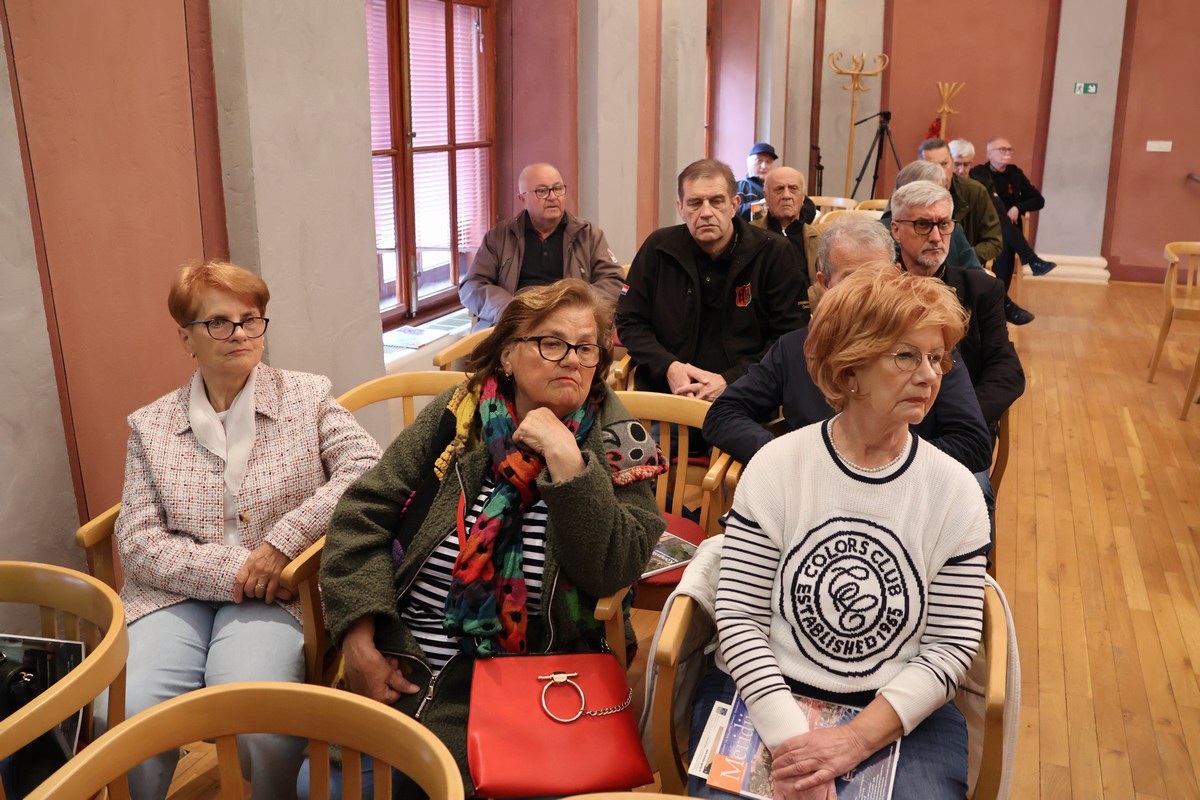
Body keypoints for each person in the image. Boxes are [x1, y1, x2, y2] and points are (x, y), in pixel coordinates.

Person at [318, 279, 665, 795]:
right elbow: (363, 512)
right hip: (405, 658)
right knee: (318, 786)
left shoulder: (618, 438)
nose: (572, 360)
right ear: (507, 355)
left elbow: (613, 566)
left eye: (586, 348)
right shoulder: (459, 416)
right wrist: (358, 635)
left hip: (531, 680)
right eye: (552, 343)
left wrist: (567, 460)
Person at [692, 265, 991, 800]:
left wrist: (852, 740)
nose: (929, 376)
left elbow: (949, 648)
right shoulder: (778, 466)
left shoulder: (955, 491)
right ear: (850, 368)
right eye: (906, 356)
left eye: (937, 357)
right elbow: (740, 621)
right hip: (768, 692)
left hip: (896, 709)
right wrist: (795, 748)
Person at [96, 261, 381, 800]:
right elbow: (136, 541)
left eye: (250, 319)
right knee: (123, 711)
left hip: (278, 593)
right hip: (173, 594)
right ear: (186, 338)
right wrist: (239, 569)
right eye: (218, 322)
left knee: (257, 714)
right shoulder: (150, 425)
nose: (240, 334)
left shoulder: (307, 396)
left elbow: (366, 468)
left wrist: (282, 543)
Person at [703, 216, 992, 476]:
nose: (867, 293)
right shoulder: (794, 348)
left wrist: (882, 466)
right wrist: (791, 458)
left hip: (910, 490)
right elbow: (724, 413)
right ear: (825, 284)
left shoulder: (927, 349)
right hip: (812, 490)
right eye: (852, 279)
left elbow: (973, 443)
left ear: (895, 276)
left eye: (877, 277)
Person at [616, 159, 808, 402]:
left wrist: (731, 380)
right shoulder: (658, 248)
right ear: (680, 208)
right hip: (667, 391)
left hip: (746, 394)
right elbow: (629, 320)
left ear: (734, 205)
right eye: (695, 203)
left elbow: (789, 336)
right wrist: (668, 366)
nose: (706, 213)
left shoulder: (773, 252)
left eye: (716, 201)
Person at [459, 162, 623, 330]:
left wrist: (576, 305)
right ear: (522, 199)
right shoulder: (500, 236)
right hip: (515, 324)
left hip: (571, 326)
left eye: (557, 188)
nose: (552, 197)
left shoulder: (587, 234)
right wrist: (507, 309)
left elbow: (614, 281)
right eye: (542, 191)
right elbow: (472, 285)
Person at [970, 137, 1056, 325]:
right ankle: (1032, 261)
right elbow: (989, 203)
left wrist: (1017, 207)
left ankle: (998, 310)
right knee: (1001, 223)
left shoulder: (1015, 173)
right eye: (1002, 149)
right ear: (989, 154)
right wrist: (1005, 214)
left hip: (1010, 234)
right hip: (987, 230)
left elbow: (1038, 200)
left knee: (1004, 269)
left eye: (1009, 149)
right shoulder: (979, 173)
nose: (1007, 153)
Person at [878, 160, 981, 271]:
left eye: (942, 190)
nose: (936, 237)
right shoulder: (878, 235)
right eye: (922, 224)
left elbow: (976, 272)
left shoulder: (953, 230)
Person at [918, 138, 1001, 266]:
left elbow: (993, 241)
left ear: (952, 163)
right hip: (919, 266)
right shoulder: (907, 191)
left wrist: (964, 257)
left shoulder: (975, 192)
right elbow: (890, 234)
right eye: (932, 167)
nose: (940, 172)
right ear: (920, 168)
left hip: (961, 268)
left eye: (944, 164)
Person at [751, 166, 815, 308]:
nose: (786, 195)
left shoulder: (819, 239)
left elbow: (826, 286)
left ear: (802, 197)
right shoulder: (749, 234)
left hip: (808, 313)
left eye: (793, 189)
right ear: (766, 196)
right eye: (779, 189)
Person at [735, 142, 817, 223]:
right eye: (758, 161)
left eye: (768, 162)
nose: (764, 166)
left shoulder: (783, 184)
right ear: (748, 162)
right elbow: (733, 212)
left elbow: (809, 208)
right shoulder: (740, 187)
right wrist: (762, 204)